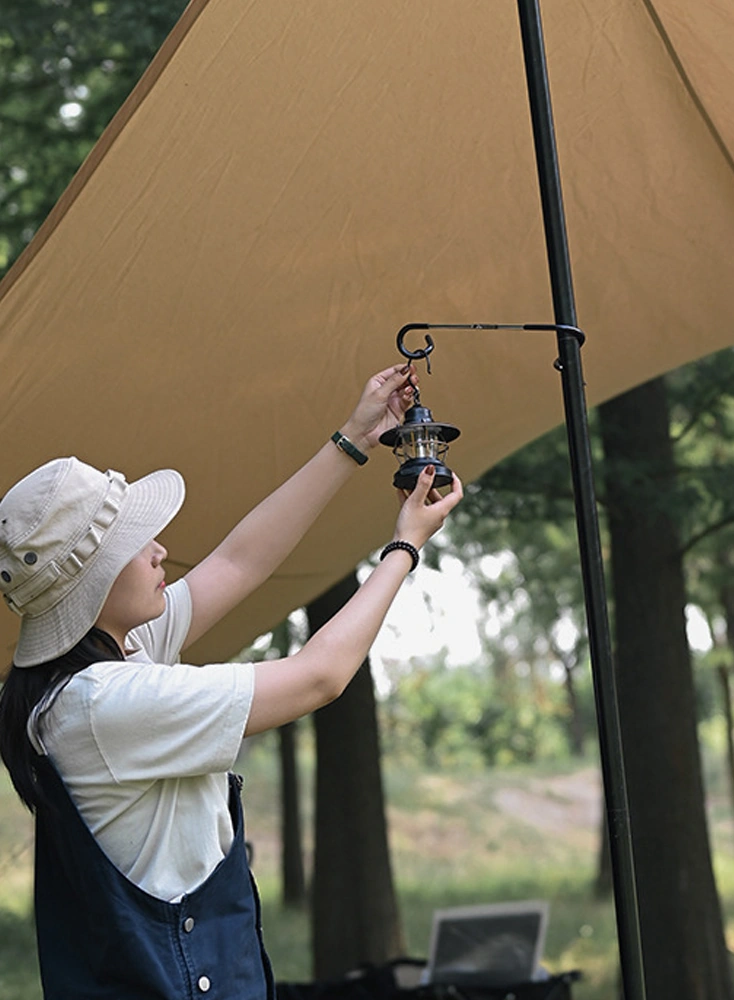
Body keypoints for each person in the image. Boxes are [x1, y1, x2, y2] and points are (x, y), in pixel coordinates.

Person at [0, 363, 463, 1000]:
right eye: (135, 542)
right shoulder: (103, 704)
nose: (159, 549)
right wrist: (404, 548)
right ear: (91, 585)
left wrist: (353, 438)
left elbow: (241, 561)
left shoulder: (118, 659)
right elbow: (318, 677)